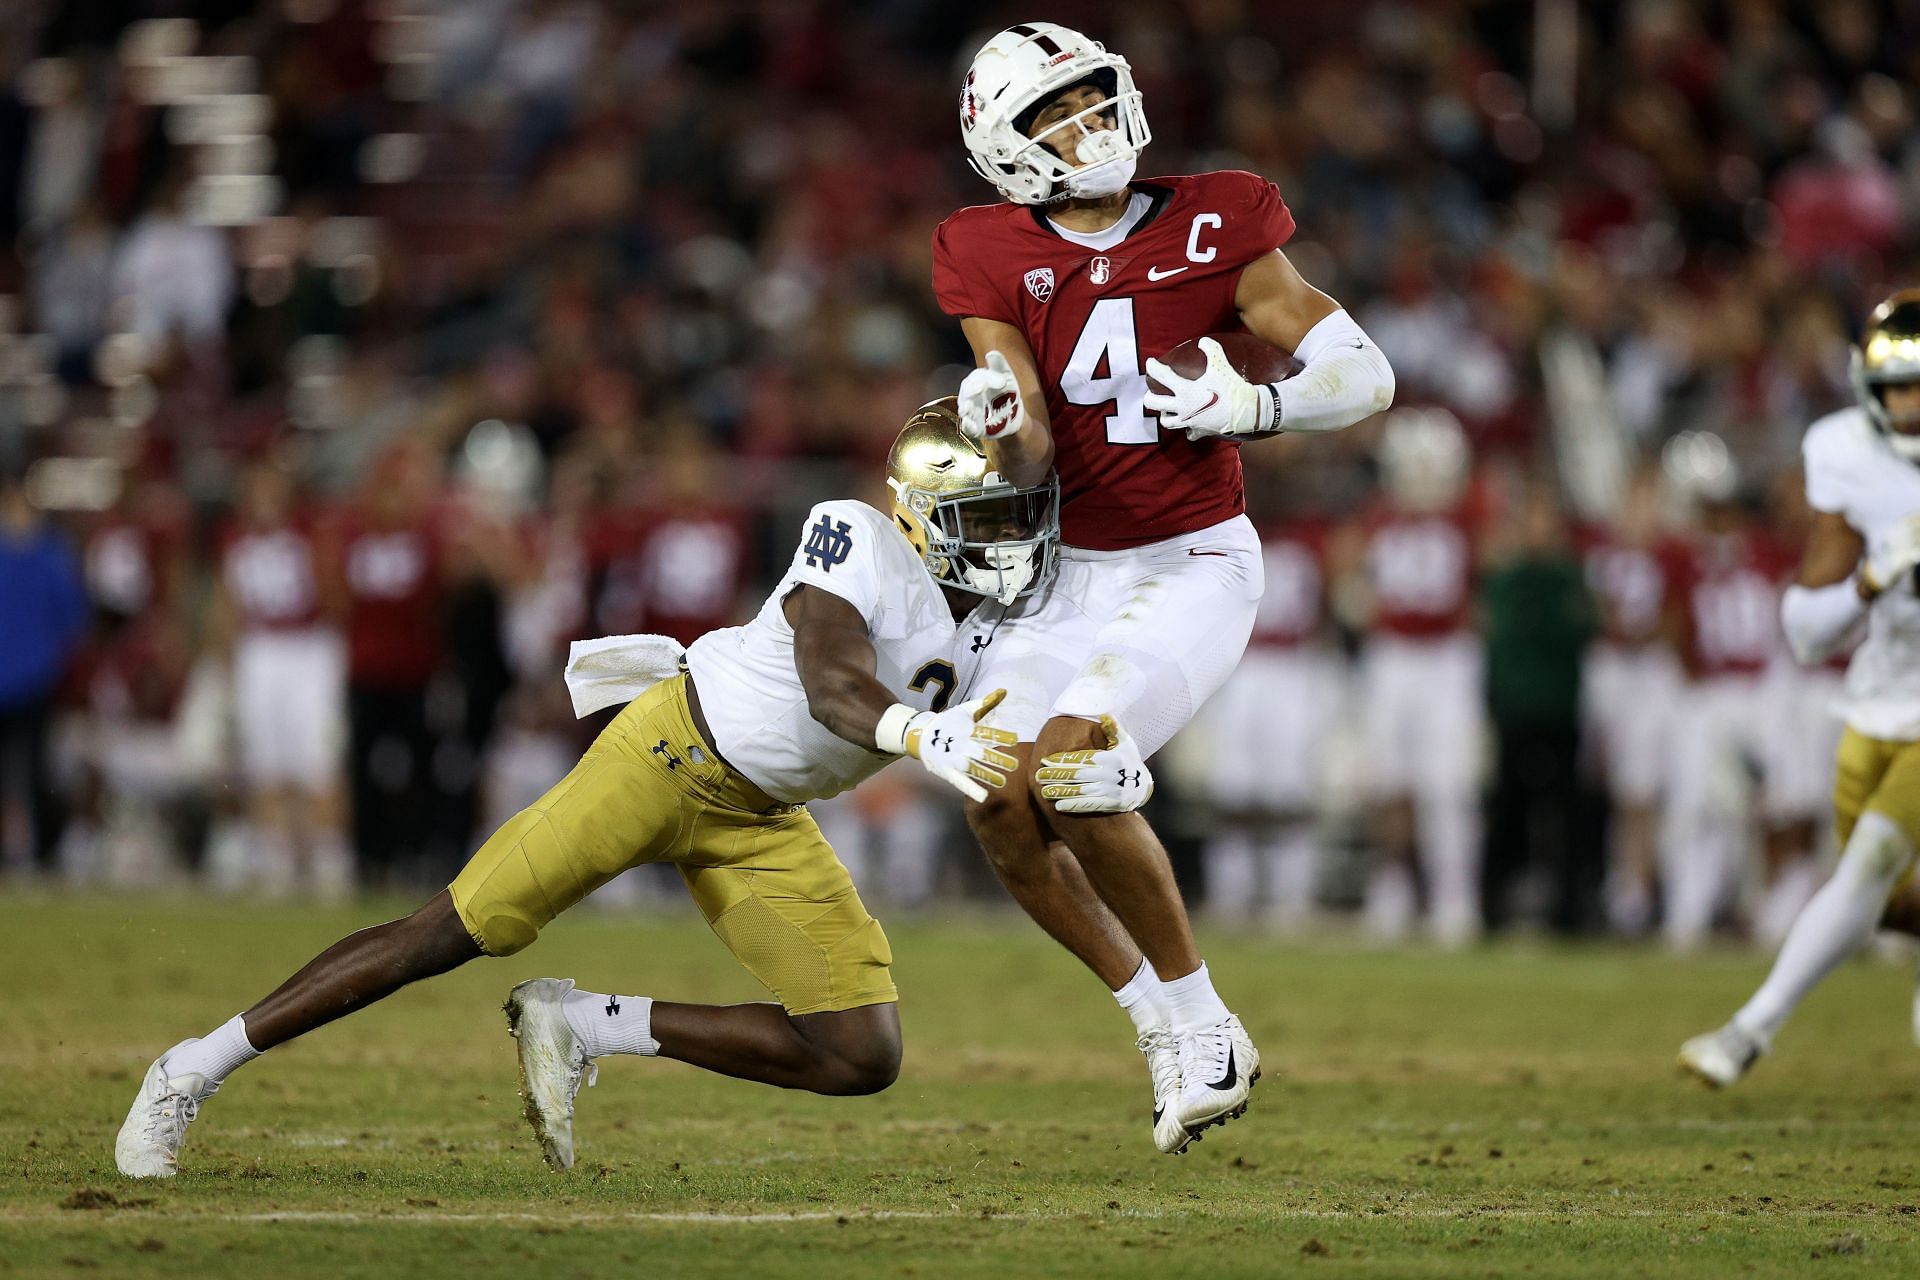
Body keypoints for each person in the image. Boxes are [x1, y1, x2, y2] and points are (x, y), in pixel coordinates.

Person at [115, 402, 1058, 1178]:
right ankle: (193, 1068)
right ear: (924, 513)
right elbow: (833, 682)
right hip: (666, 753)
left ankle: (582, 1023)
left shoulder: (1003, 626)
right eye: (990, 516)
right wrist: (920, 732)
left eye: (1017, 513)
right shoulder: (855, 534)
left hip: (762, 817)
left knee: (860, 1051)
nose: (1011, 536)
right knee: (448, 932)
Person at [935, 22, 1393, 1152]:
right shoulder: (982, 248)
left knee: (1073, 764)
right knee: (998, 795)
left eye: (1098, 97)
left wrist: (1258, 407)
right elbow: (1031, 447)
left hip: (1191, 557)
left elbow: (1365, 372)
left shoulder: (1220, 215)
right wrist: (999, 427)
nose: (1092, 125)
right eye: (1060, 112)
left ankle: (1197, 1014)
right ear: (1007, 144)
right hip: (1064, 575)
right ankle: (1171, 1022)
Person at [1679, 291, 1920, 1085]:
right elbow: (1809, 632)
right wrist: (1872, 581)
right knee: (1884, 899)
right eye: (1898, 387)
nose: (1911, 405)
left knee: (1871, 862)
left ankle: (1748, 1032)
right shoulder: (1845, 451)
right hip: (1878, 698)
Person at [0, 457, 88, 876]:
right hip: (12, 674)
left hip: (35, 677)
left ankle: (42, 852)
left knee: (36, 768)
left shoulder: (51, 551)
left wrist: (54, 663)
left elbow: (72, 617)